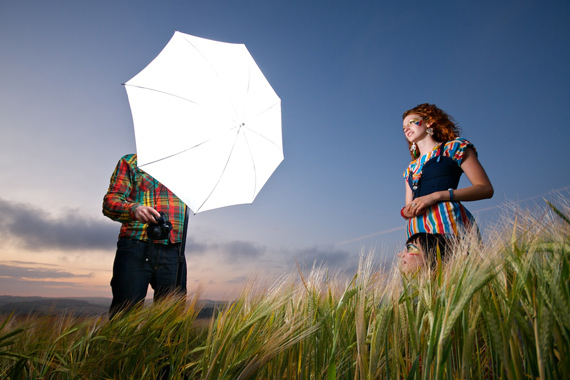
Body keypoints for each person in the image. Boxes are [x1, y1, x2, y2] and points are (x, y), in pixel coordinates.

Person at [400, 103, 493, 265]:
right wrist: (407, 210)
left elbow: (485, 189)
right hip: (416, 234)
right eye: (403, 127)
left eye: (412, 122)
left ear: (429, 122)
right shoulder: (411, 168)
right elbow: (409, 206)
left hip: (448, 226)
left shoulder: (454, 148)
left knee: (456, 280)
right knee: (425, 288)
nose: (406, 128)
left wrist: (437, 196)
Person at [103, 154, 188, 319]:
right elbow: (109, 203)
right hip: (134, 245)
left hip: (174, 251)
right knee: (123, 318)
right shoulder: (131, 162)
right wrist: (134, 209)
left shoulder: (186, 169)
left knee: (173, 322)